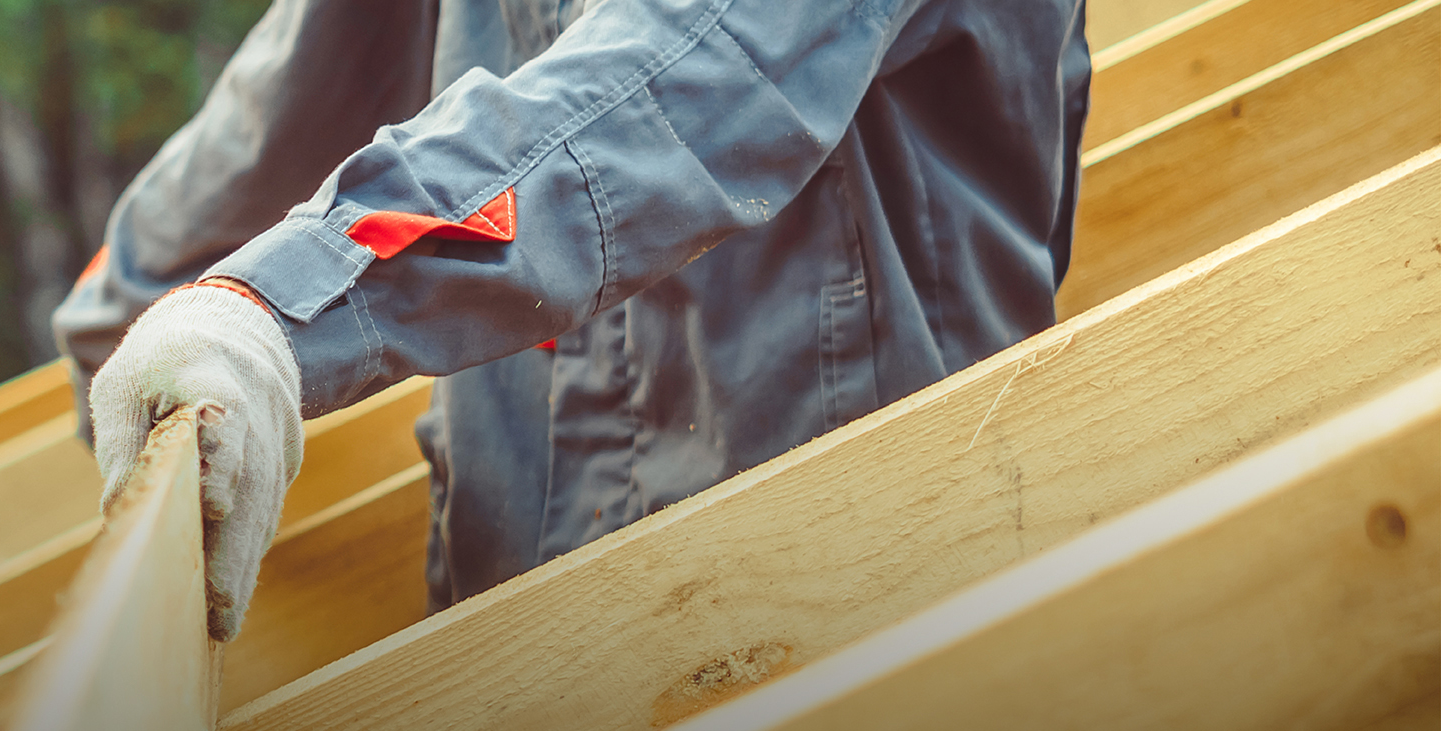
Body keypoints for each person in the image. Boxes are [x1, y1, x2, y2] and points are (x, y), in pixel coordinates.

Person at [63, 0, 1090, 640]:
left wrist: (280, 306)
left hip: (851, 622)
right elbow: (295, 96)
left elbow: (677, 81)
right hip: (505, 636)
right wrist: (145, 315)